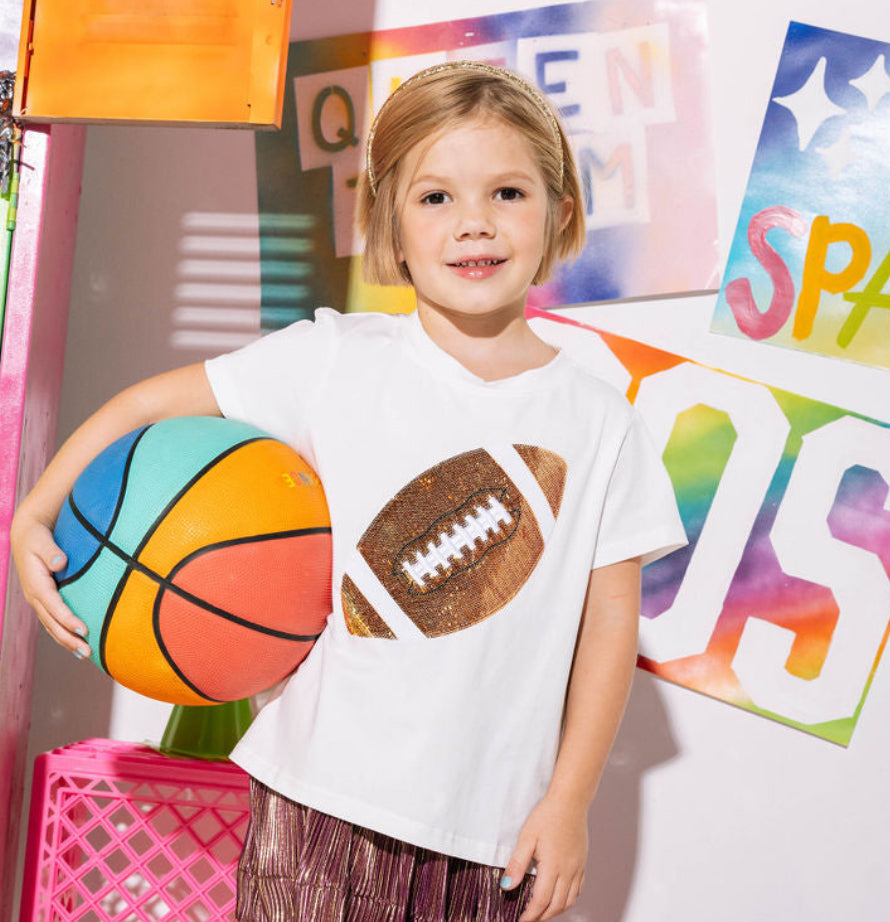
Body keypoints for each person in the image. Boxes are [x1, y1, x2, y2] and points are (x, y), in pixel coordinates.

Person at [11, 62, 687, 922]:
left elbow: (607, 628)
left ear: (559, 215)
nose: (474, 223)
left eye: (507, 193)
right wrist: (35, 511)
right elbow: (149, 405)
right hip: (315, 804)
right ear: (391, 227)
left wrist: (570, 800)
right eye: (436, 198)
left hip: (492, 835)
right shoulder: (333, 358)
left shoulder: (599, 420)